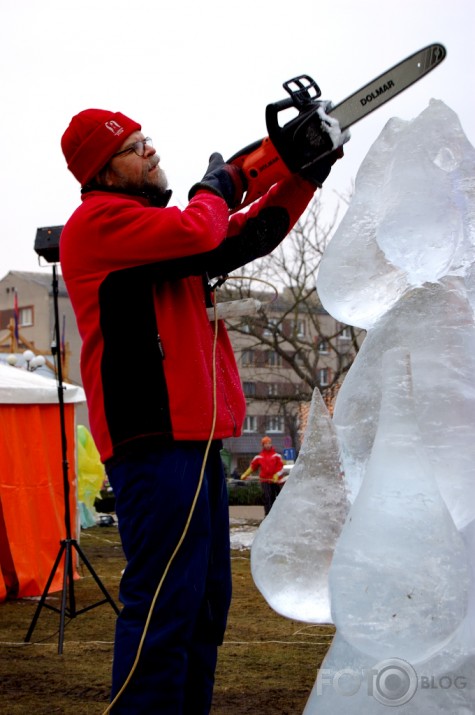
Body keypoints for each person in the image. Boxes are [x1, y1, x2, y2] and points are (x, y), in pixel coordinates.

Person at [59, 107, 345, 714]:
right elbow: (203, 228)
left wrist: (301, 174)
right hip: (154, 438)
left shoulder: (151, 234)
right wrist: (214, 187)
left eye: (147, 140)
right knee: (165, 602)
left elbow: (243, 235)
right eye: (135, 148)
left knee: (202, 605)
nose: (151, 151)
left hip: (193, 438)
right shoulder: (99, 224)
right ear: (102, 172)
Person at [240, 436, 285, 515]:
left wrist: (276, 475)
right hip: (265, 481)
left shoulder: (277, 456)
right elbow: (252, 467)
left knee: (276, 498)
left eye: (269, 443)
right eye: (266, 444)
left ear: (271, 444)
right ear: (263, 445)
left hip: (276, 481)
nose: (267, 445)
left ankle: (277, 515)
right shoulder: (259, 457)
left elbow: (281, 468)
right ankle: (267, 515)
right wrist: (245, 474)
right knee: (267, 498)